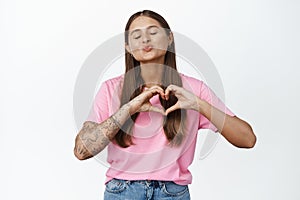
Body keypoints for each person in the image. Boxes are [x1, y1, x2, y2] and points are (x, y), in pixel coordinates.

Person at [74, 10, 256, 200]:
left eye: (153, 32)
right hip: (122, 192)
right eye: (136, 36)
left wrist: (199, 105)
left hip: (173, 193)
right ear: (128, 47)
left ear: (169, 38)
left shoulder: (194, 89)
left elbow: (247, 139)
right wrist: (127, 109)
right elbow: (82, 151)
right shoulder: (110, 89)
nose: (145, 39)